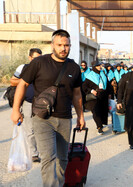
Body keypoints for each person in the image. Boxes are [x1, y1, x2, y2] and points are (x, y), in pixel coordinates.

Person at [11, 29, 85, 186]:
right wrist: (16, 109)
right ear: (52, 45)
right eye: (59, 45)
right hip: (42, 118)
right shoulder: (38, 63)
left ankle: (58, 183)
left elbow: (77, 94)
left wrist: (81, 116)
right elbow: (22, 84)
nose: (63, 48)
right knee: (48, 157)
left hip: (65, 118)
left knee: (62, 158)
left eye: (66, 45)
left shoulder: (74, 68)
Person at [10, 48, 42, 163]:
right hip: (28, 103)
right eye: (35, 58)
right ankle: (34, 153)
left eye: (39, 57)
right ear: (30, 58)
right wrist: (25, 81)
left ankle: (44, 151)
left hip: (42, 104)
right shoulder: (23, 68)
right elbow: (12, 81)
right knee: (30, 129)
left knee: (42, 127)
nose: (37, 60)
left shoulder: (44, 68)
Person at [82, 60, 112, 135]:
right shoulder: (90, 76)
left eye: (100, 66)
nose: (99, 67)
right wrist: (91, 91)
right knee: (96, 111)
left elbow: (108, 84)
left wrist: (110, 93)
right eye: (97, 66)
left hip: (103, 96)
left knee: (103, 110)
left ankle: (101, 123)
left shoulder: (103, 74)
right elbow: (84, 86)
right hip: (94, 97)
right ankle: (99, 127)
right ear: (94, 67)